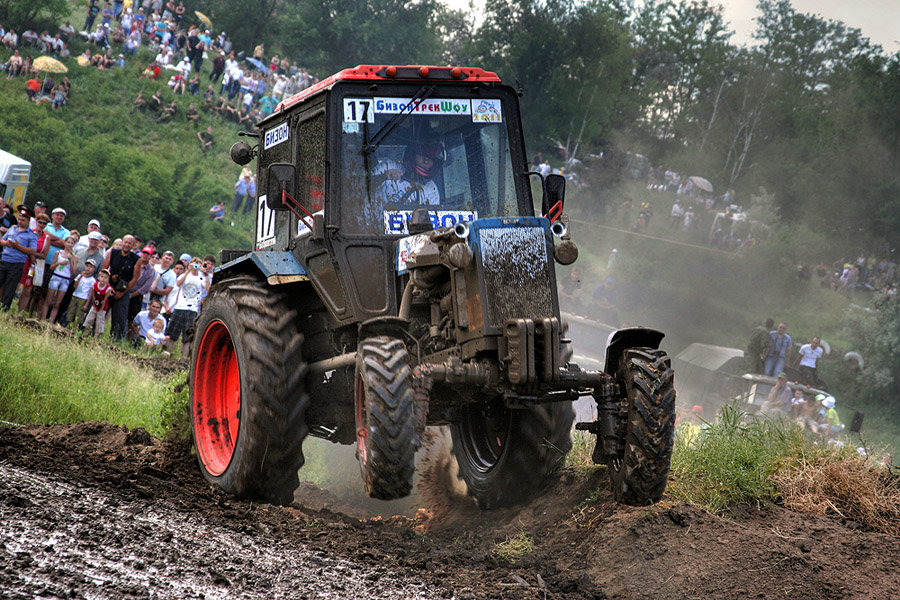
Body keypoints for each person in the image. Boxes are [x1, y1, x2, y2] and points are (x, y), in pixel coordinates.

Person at [165, 256, 209, 355]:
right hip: (180, 306)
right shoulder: (185, 275)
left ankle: (183, 359)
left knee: (188, 336)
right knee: (173, 333)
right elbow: (178, 283)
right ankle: (168, 353)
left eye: (198, 264)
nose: (195, 267)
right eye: (194, 264)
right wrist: (187, 271)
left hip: (193, 308)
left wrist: (206, 274)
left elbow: (207, 288)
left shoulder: (201, 277)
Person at [376, 142, 443, 205]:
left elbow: (433, 215)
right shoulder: (388, 166)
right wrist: (383, 177)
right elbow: (366, 186)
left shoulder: (431, 188)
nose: (426, 161)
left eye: (431, 158)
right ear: (413, 154)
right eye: (423, 155)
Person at [0, 206, 38, 310]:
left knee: (10, 287)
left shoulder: (31, 235)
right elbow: (1, 241)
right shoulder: (12, 229)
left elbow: (32, 250)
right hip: (4, 259)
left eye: (23, 220)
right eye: (19, 219)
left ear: (28, 221)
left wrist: (17, 246)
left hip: (17, 263)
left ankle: (5, 307)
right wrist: (6, 243)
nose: (20, 222)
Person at [102, 234, 139, 340]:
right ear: (122, 242)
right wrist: (108, 286)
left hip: (124, 289)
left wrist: (123, 293)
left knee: (119, 318)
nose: (127, 245)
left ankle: (115, 340)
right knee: (99, 310)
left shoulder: (136, 259)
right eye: (125, 242)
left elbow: (135, 278)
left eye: (130, 243)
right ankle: (92, 333)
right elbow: (104, 269)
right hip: (109, 286)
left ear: (133, 245)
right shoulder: (113, 253)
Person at [42, 234, 79, 322]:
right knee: (48, 300)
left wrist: (72, 261)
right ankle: (43, 320)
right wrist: (59, 263)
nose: (70, 244)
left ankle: (51, 321)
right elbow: (51, 267)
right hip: (56, 276)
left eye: (72, 243)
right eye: (68, 242)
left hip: (65, 279)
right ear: (65, 243)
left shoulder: (74, 257)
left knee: (57, 303)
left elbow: (73, 272)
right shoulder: (58, 253)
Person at [66, 259, 97, 329]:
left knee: (79, 315)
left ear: (94, 269)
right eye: (87, 266)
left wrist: (86, 304)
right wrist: (80, 277)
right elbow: (74, 286)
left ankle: (76, 328)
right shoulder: (80, 275)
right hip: (75, 295)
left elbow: (90, 294)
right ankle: (69, 326)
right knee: (71, 311)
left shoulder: (92, 280)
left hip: (83, 298)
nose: (88, 268)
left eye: (91, 267)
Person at [82, 268, 112, 337]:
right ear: (98, 277)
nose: (103, 279)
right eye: (102, 277)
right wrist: (89, 304)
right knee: (90, 318)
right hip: (95, 305)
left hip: (102, 307)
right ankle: (85, 334)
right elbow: (92, 296)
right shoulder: (94, 285)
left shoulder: (108, 289)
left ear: (107, 280)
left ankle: (96, 336)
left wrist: (101, 308)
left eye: (105, 278)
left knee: (99, 320)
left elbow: (105, 299)